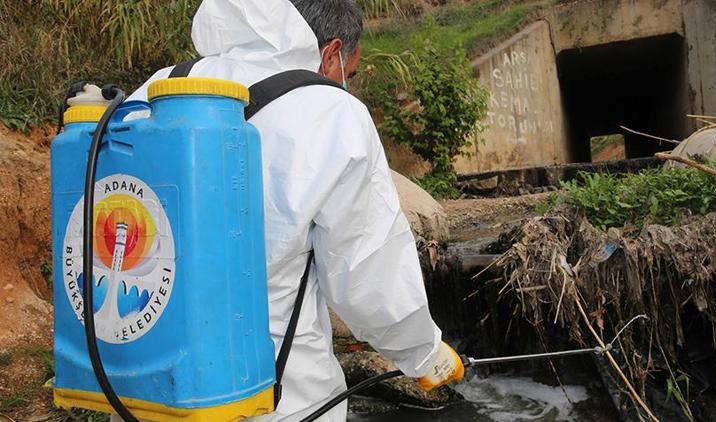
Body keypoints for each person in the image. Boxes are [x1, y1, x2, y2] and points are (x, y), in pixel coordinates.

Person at [127, 0, 464, 420]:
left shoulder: (155, 89)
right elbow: (369, 275)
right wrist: (425, 354)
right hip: (274, 400)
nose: (348, 86)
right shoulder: (330, 112)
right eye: (350, 73)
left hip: (143, 389)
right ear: (332, 54)